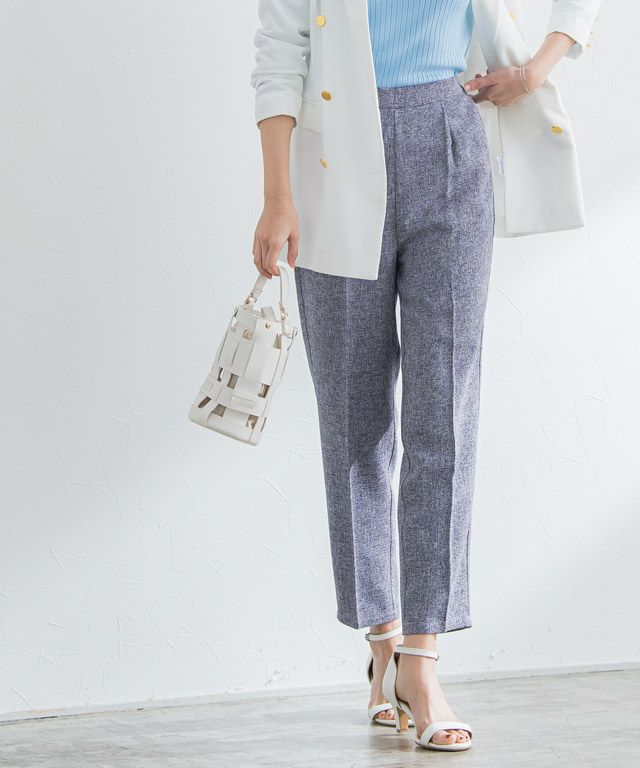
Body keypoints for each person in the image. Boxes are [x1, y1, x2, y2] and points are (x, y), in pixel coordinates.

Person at [250, 0, 600, 753]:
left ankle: (422, 660)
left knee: (445, 412)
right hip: (334, 163)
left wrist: (535, 70)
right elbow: (279, 54)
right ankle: (382, 641)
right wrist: (277, 197)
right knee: (355, 417)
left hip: (451, 139)